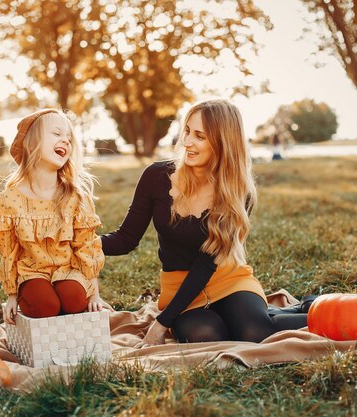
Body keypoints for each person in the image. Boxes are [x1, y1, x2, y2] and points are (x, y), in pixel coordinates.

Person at [100, 99, 307, 346]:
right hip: (179, 290)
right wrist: (80, 243)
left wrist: (161, 323)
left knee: (255, 333)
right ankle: (271, 313)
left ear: (223, 143)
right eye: (187, 131)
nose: (187, 142)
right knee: (206, 335)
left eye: (200, 136)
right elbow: (125, 239)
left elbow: (206, 265)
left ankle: (320, 308)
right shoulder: (156, 177)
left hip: (229, 280)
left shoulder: (237, 193)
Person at [0, 109, 111, 325]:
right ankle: (44, 304)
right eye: (56, 133)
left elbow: (86, 247)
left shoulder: (74, 196)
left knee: (74, 300)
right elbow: (9, 251)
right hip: (32, 271)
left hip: (68, 269)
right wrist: (12, 296)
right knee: (44, 305)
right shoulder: (9, 200)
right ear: (31, 143)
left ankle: (66, 306)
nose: (65, 140)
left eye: (69, 138)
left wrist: (94, 294)